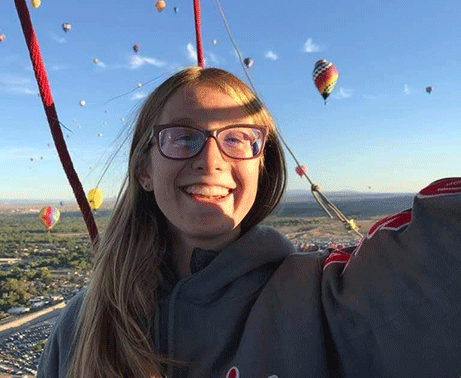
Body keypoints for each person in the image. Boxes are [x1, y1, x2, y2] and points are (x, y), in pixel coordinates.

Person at [37, 67, 461, 378]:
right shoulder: (83, 325)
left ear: (263, 166)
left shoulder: (319, 296)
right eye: (183, 136)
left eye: (238, 138)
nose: (210, 160)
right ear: (145, 169)